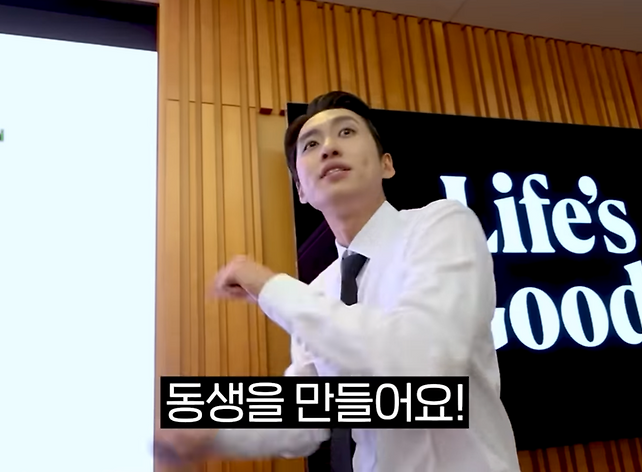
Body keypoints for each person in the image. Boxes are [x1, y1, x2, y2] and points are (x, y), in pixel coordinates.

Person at [153, 91, 521, 472]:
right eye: (311, 145)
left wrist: (269, 286)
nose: (328, 148)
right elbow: (307, 417)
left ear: (386, 165)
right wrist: (209, 421)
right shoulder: (317, 292)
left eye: (346, 132)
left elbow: (424, 364)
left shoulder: (443, 225)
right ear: (301, 190)